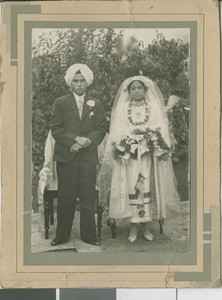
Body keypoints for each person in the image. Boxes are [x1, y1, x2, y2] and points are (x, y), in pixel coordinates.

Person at [98, 76, 180, 243]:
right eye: (133, 88)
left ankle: (146, 226)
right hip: (129, 158)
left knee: (146, 186)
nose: (136, 91)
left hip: (147, 156)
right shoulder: (123, 108)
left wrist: (152, 138)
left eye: (139, 88)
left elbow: (159, 127)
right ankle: (133, 227)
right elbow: (117, 130)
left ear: (145, 90)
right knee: (131, 186)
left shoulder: (153, 107)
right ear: (128, 91)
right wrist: (128, 141)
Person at [50, 63, 107, 246]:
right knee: (66, 197)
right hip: (66, 158)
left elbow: (101, 128)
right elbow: (56, 129)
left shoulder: (96, 104)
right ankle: (62, 236)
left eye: (82, 80)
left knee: (87, 197)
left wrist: (85, 142)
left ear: (88, 82)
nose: (79, 84)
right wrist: (75, 140)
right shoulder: (60, 103)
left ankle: (89, 236)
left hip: (87, 158)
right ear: (70, 83)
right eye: (76, 81)